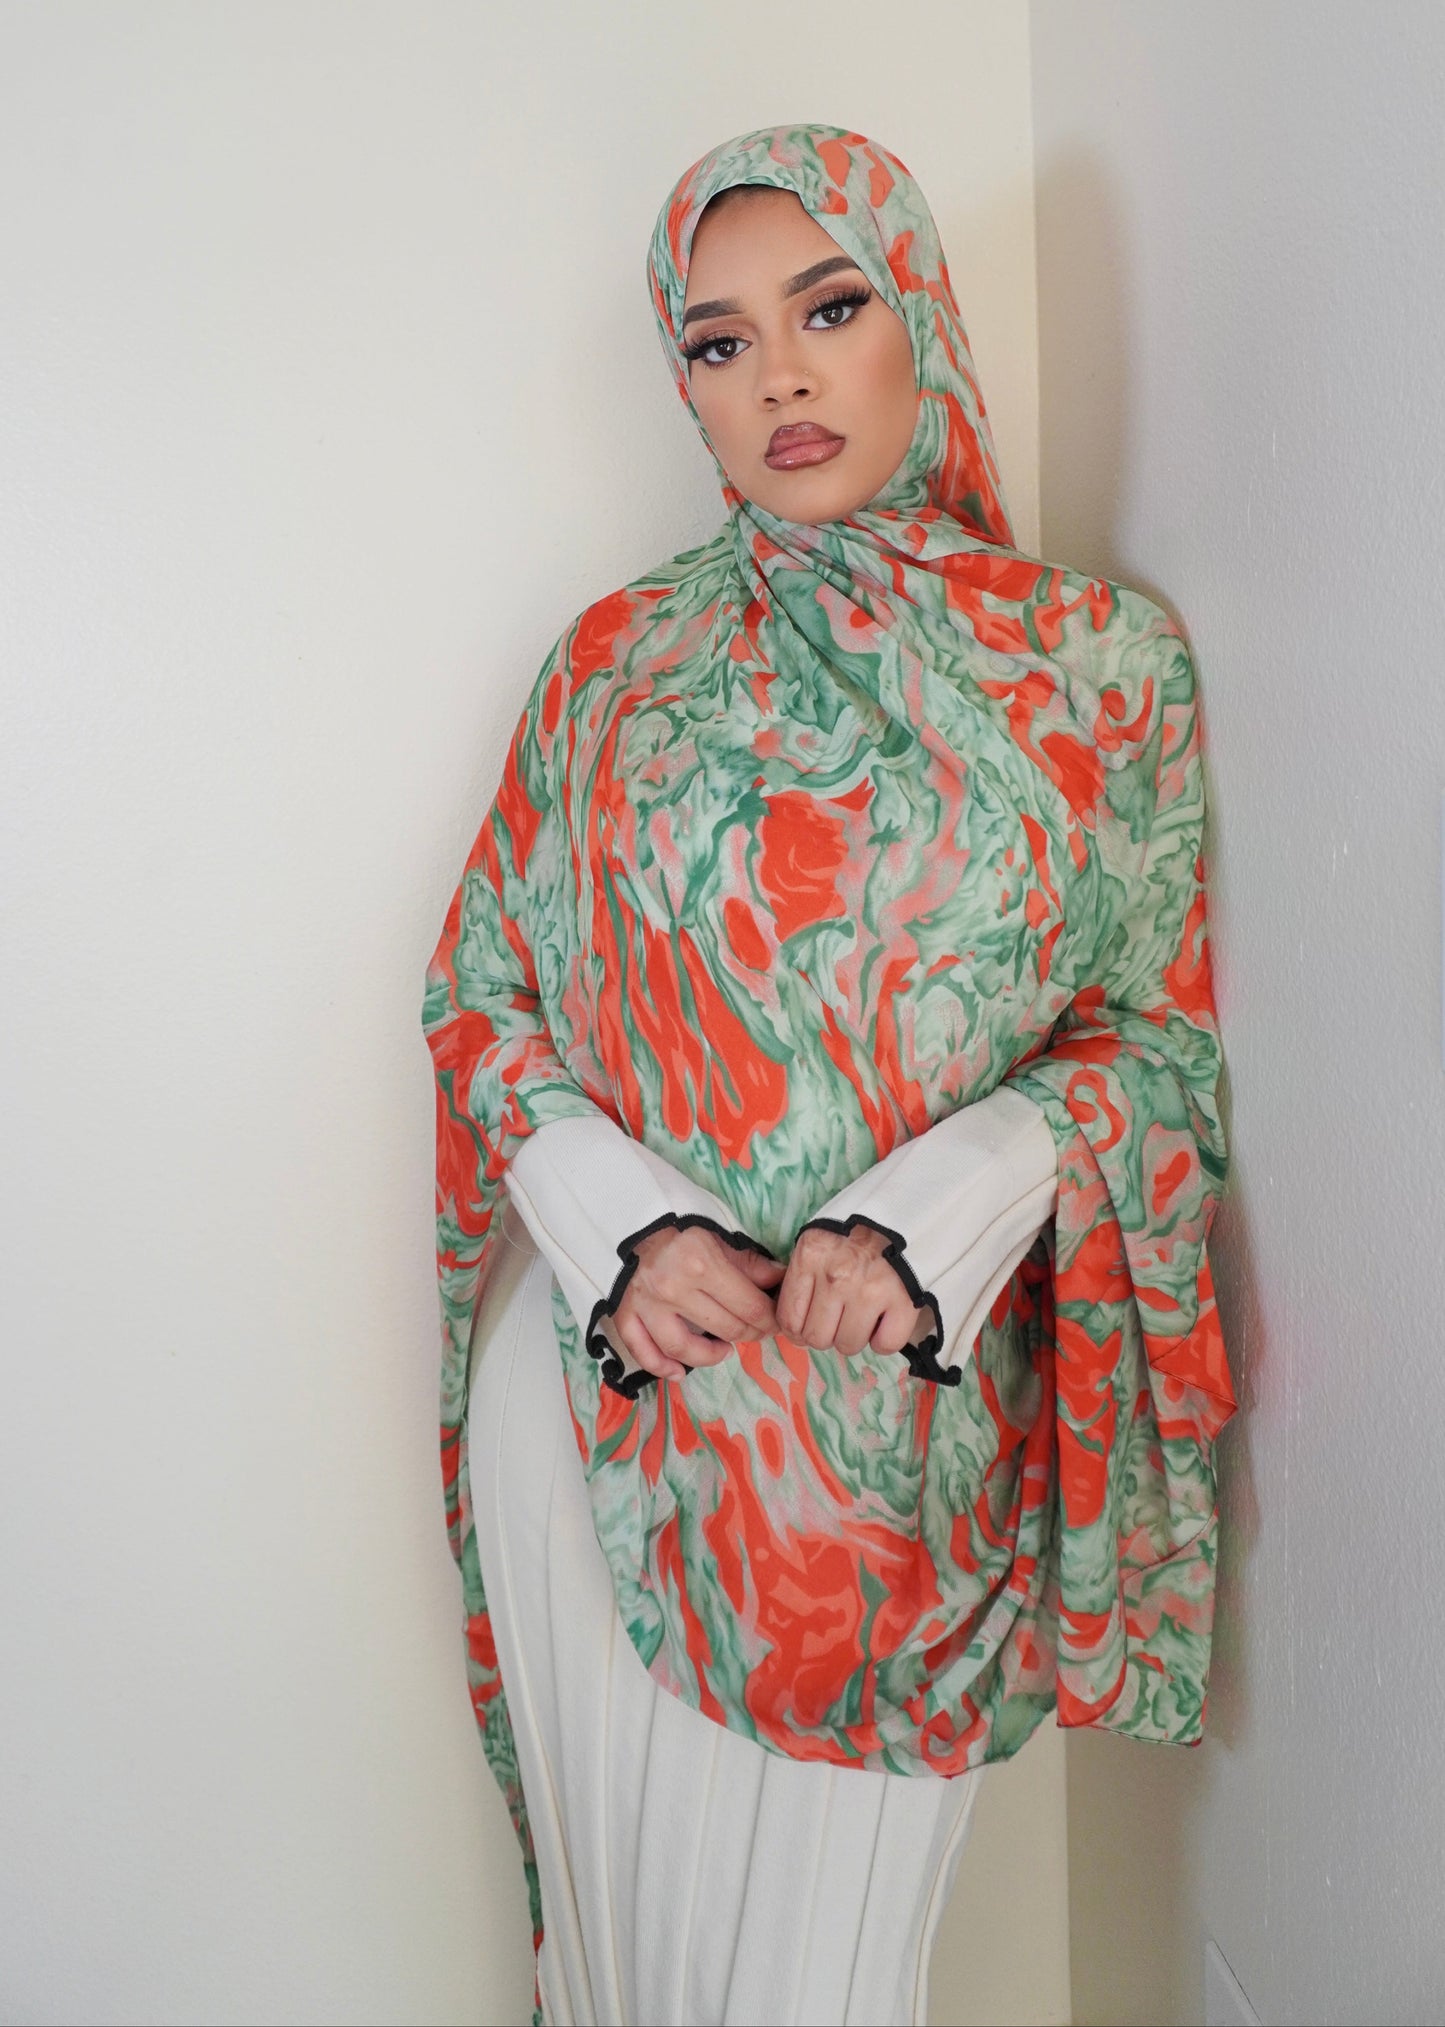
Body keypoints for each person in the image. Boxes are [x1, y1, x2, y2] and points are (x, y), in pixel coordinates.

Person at [422, 123, 1237, 2027]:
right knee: (612, 1977)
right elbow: (480, 995)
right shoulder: (612, 666)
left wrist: (924, 1219)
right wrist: (625, 1238)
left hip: (891, 1444)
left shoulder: (1095, 666)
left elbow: (1150, 1045)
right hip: (610, 1396)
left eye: (829, 308)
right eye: (717, 343)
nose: (778, 378)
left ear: (917, 318)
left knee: (820, 1990)